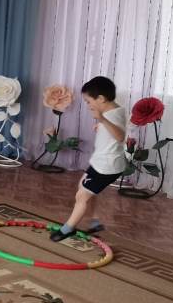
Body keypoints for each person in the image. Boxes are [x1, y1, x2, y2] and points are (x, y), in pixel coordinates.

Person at [50, 76, 127, 242]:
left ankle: (67, 229)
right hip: (102, 163)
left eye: (88, 101)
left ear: (101, 98)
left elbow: (120, 136)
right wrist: (102, 124)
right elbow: (115, 128)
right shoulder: (115, 110)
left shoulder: (110, 116)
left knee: (82, 196)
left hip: (107, 166)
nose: (88, 105)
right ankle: (95, 223)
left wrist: (102, 120)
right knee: (84, 188)